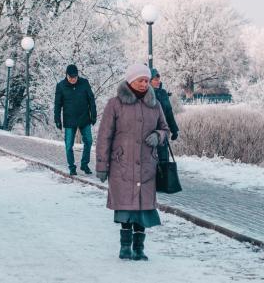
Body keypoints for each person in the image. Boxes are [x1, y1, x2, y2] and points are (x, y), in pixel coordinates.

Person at [95, 64, 170, 261]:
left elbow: (165, 129)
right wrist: (102, 165)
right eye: (141, 80)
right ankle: (125, 247)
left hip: (147, 166)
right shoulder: (115, 104)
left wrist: (158, 135)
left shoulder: (155, 105)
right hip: (122, 165)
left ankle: (139, 249)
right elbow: (104, 136)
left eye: (147, 81)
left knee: (143, 208)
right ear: (130, 81)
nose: (145, 84)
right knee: (126, 207)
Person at [53, 64, 97, 175]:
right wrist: (57, 119)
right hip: (69, 120)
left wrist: (93, 114)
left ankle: (84, 164)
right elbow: (57, 104)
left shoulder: (84, 83)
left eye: (75, 77)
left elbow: (91, 100)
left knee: (88, 141)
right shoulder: (61, 86)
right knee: (69, 145)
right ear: (66, 75)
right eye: (71, 77)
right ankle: (72, 167)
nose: (73, 79)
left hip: (84, 118)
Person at [150, 68, 180, 161]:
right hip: (148, 132)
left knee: (164, 158)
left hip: (162, 131)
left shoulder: (163, 93)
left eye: (158, 80)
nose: (158, 82)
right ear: (149, 81)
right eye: (155, 80)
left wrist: (174, 130)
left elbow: (169, 113)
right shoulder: (144, 94)